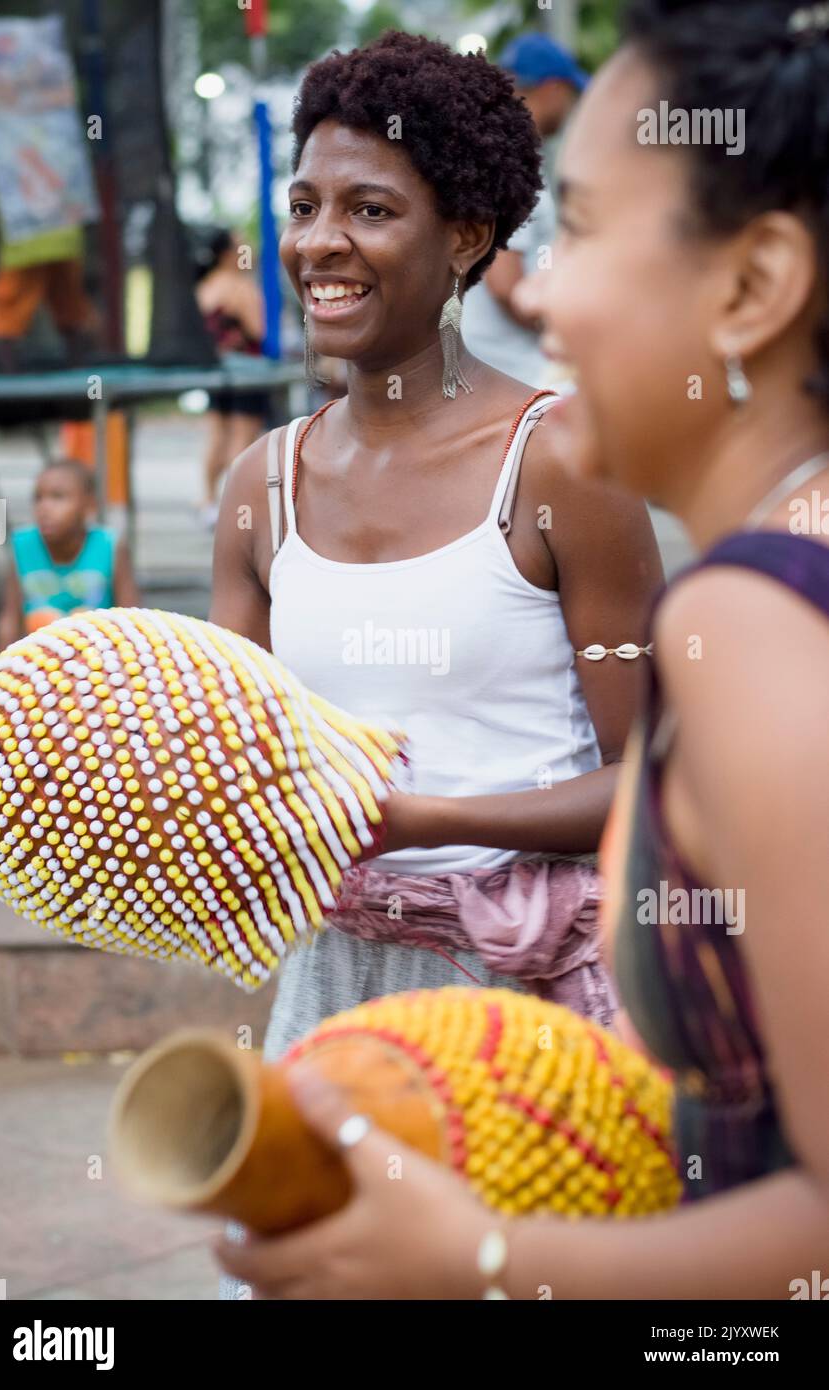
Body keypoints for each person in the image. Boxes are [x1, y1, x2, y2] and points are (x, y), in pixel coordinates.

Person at [215, 0, 829, 1299]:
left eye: (586, 231)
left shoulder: (750, 615)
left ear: (753, 284)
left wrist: (489, 1251)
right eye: (304, 203)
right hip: (339, 998)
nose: (538, 291)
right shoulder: (262, 488)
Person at [460, 33, 588, 387]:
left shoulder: (491, 154)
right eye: (571, 94)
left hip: (501, 370)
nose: (571, 106)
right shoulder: (512, 163)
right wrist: (570, 337)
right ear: (552, 88)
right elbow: (505, 283)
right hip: (523, 374)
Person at [0, 457, 139, 646]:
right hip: (39, 660)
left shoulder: (110, 547)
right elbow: (10, 619)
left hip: (98, 658)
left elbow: (131, 620)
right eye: (38, 498)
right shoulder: (23, 546)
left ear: (89, 504)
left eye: (58, 497)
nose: (44, 508)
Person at [195, 229, 270, 529]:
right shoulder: (240, 287)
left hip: (216, 371)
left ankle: (208, 500)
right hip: (247, 372)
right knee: (242, 436)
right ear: (228, 254)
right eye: (243, 247)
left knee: (216, 434)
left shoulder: (206, 286)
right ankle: (236, 502)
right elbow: (259, 331)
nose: (248, 251)